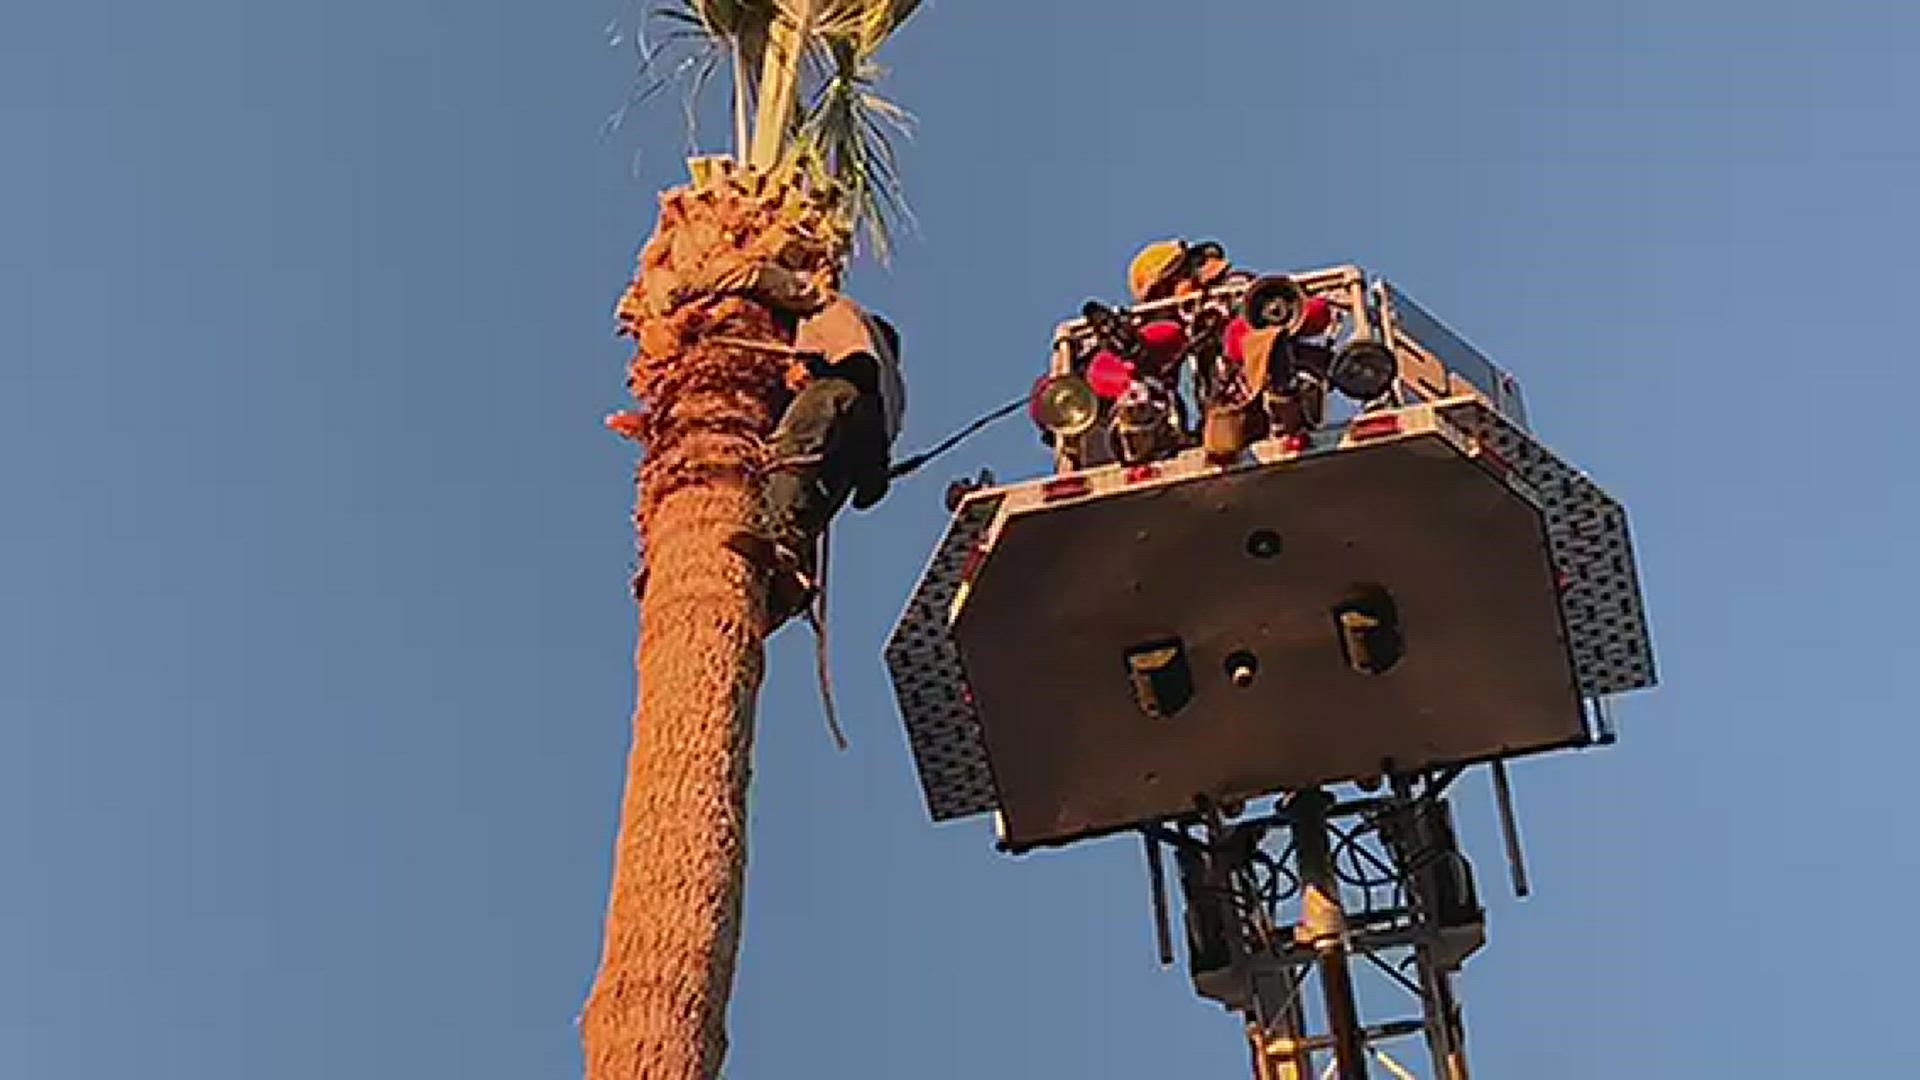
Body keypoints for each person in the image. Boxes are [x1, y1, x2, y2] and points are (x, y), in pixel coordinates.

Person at [727, 296, 905, 629]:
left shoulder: (833, 314)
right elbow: (870, 483)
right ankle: (789, 582)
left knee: (792, 453)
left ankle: (778, 539)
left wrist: (809, 367)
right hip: (858, 450)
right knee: (811, 503)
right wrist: (872, 476)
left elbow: (856, 363)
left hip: (838, 397)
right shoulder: (893, 395)